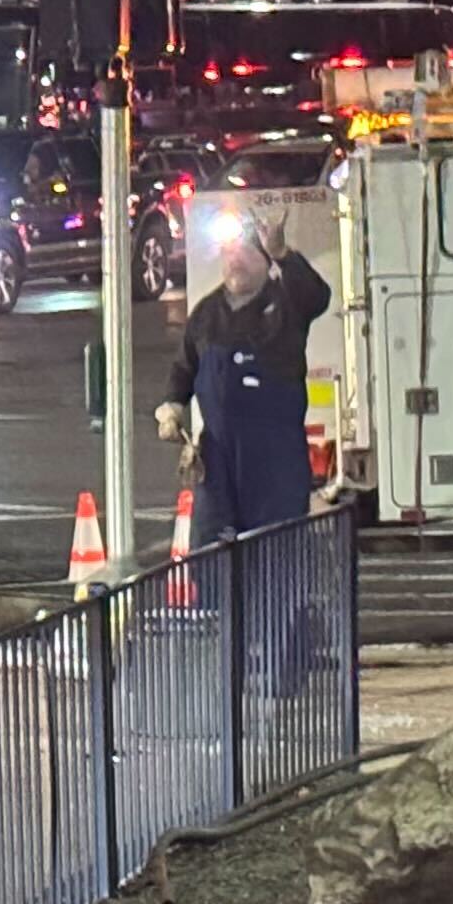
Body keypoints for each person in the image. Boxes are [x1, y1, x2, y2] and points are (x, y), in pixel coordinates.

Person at [159, 212, 334, 688]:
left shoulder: (287, 303)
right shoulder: (208, 313)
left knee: (276, 559)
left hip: (274, 456)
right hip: (218, 455)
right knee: (212, 558)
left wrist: (283, 252)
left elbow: (319, 296)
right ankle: (227, 668)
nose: (234, 261)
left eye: (244, 253)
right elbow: (185, 366)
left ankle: (284, 667)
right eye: (229, 254)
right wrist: (173, 406)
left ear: (262, 263)